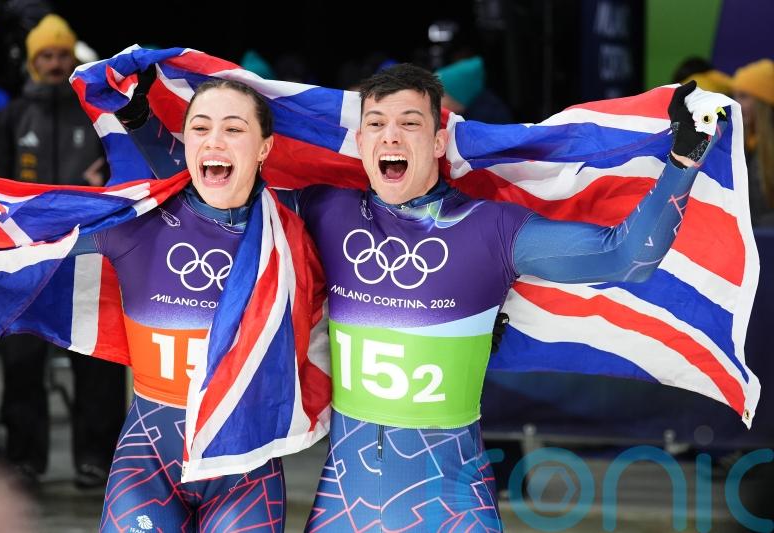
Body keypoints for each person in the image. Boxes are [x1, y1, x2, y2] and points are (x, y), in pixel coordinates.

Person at [118, 59, 721, 530]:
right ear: (360, 144)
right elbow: (218, 185)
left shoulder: (492, 231)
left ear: (438, 141)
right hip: (342, 510)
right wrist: (143, 122)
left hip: (450, 508)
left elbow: (626, 257)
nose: (390, 135)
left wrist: (682, 160)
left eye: (409, 123)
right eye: (374, 124)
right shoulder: (326, 213)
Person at [64, 78, 325, 531]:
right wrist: (137, 119)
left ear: (265, 147)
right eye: (200, 128)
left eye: (234, 129)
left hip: (245, 468)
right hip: (146, 465)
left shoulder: (294, 235)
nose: (215, 140)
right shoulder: (137, 222)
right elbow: (28, 241)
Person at [0, 13, 124, 490]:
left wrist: (105, 182)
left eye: (62, 55)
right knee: (22, 362)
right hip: (27, 264)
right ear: (32, 60)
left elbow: (127, 172)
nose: (55, 62)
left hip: (89, 257)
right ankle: (25, 460)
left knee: (97, 361)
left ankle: (96, 459)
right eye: (46, 55)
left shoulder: (97, 116)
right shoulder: (13, 115)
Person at [731, 58, 774, 226]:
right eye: (734, 96)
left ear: (762, 102)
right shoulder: (738, 145)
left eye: (744, 96)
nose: (736, 104)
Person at [436, 55, 513, 123]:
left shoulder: (487, 119)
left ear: (459, 96)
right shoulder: (468, 113)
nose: (433, 102)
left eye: (440, 96)